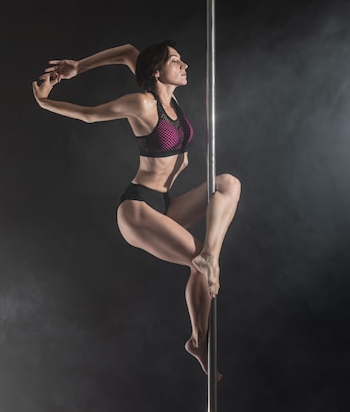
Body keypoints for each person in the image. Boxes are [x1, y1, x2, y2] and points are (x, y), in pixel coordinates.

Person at [31, 40, 241, 377]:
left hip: (165, 204)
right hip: (138, 208)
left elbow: (129, 52)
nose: (184, 64)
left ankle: (200, 328)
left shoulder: (170, 101)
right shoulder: (144, 104)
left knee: (228, 184)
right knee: (198, 259)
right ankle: (207, 264)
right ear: (157, 71)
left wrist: (77, 67)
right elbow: (88, 115)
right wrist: (45, 102)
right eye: (176, 60)